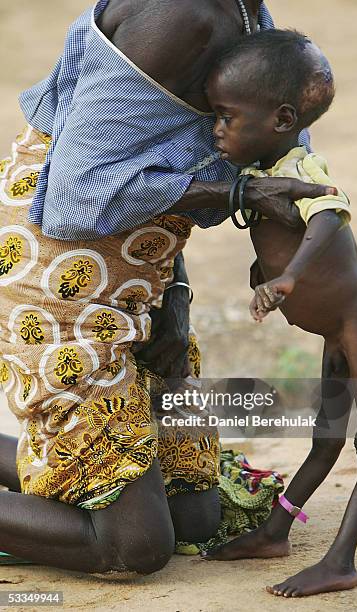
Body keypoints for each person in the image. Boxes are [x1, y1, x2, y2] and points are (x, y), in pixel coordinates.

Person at [0, 1, 334, 574]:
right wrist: (237, 196)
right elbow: (74, 198)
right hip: (57, 280)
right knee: (135, 546)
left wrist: (173, 302)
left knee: (196, 519)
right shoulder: (181, 15)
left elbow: (159, 151)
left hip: (140, 272)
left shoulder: (245, 11)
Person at [203, 29, 357, 597]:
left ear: (281, 119)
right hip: (332, 332)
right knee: (325, 438)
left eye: (226, 116)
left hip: (356, 330)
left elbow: (330, 213)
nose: (216, 128)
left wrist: (288, 276)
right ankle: (276, 530)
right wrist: (263, 275)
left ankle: (341, 562)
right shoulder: (259, 175)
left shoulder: (305, 167)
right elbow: (271, 238)